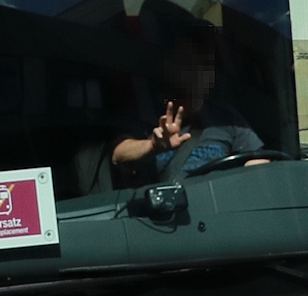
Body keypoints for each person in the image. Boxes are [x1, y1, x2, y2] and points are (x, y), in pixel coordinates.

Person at [112, 19, 266, 179]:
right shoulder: (147, 110)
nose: (199, 72)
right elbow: (118, 154)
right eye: (189, 62)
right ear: (170, 66)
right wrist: (153, 145)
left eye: (206, 64)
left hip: (220, 194)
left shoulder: (226, 116)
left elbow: (257, 163)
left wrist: (259, 171)